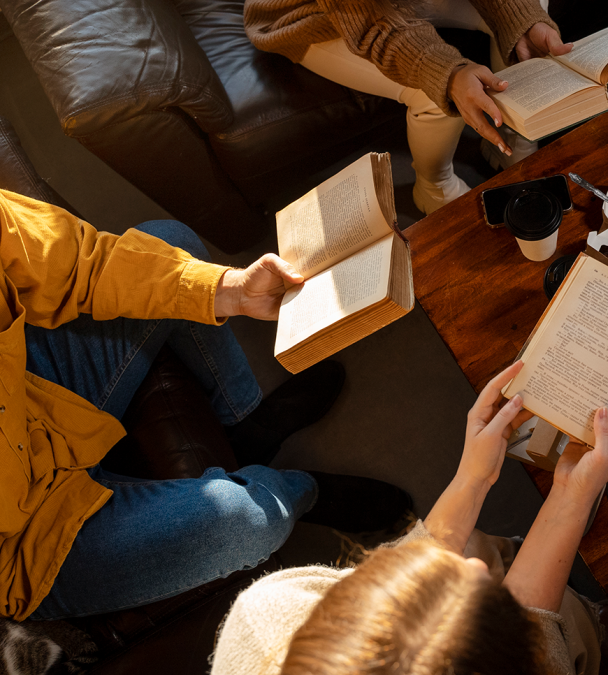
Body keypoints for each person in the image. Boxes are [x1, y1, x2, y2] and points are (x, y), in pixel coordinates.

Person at [0, 189, 411, 622]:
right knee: (247, 523)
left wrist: (232, 291)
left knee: (174, 244)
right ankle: (307, 492)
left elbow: (81, 263)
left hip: (34, 399)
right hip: (24, 542)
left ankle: (245, 425)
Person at [207, 362, 608, 675]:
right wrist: (569, 501)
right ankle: (588, 650)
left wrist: (472, 479)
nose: (479, 572)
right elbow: (534, 654)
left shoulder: (267, 613)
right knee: (566, 634)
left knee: (467, 545)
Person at [243, 0, 572, 214]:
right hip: (321, 13)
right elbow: (372, 21)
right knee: (434, 93)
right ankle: (434, 185)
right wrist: (447, 71)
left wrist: (522, 20)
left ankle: (515, 139)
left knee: (527, 11)